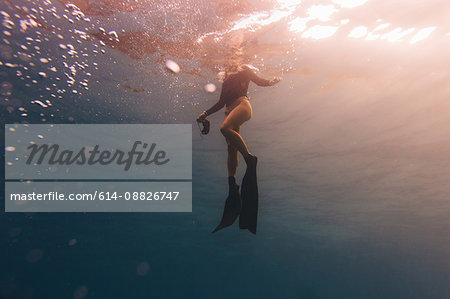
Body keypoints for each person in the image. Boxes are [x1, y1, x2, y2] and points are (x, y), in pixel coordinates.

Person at [198, 63, 281, 233]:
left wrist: (273, 80)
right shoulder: (225, 78)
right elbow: (221, 101)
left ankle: (250, 158)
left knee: (224, 129)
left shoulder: (244, 70)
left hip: (242, 106)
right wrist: (205, 114)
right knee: (231, 149)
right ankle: (231, 182)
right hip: (229, 110)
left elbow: (260, 82)